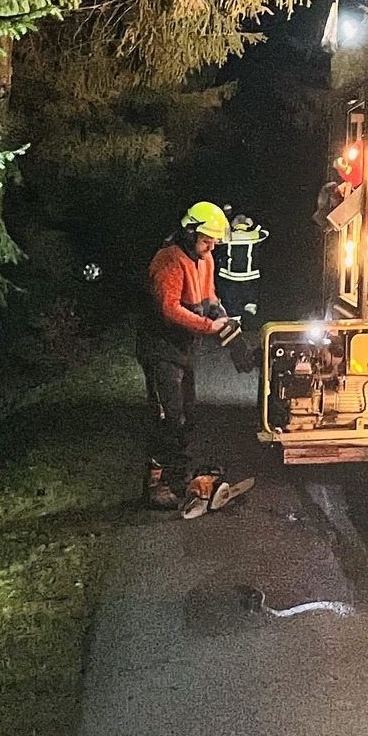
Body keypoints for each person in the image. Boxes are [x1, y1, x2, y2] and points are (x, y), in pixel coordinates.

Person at [137, 201, 240, 509]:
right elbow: (169, 309)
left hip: (183, 348)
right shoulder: (168, 260)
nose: (211, 246)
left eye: (214, 241)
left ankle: (177, 477)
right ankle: (159, 483)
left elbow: (208, 296)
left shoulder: (204, 258)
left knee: (187, 416)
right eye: (206, 239)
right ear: (189, 231)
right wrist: (209, 325)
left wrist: (221, 317)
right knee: (169, 416)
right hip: (160, 346)